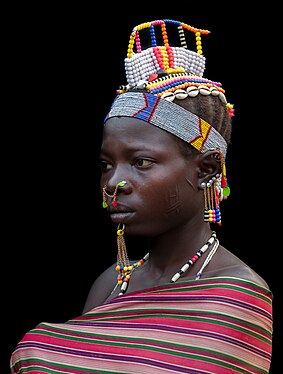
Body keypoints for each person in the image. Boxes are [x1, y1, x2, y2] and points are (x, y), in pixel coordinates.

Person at [10, 18, 273, 373]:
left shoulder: (237, 296)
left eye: (141, 162)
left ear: (207, 170)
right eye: (106, 164)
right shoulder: (112, 282)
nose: (114, 182)